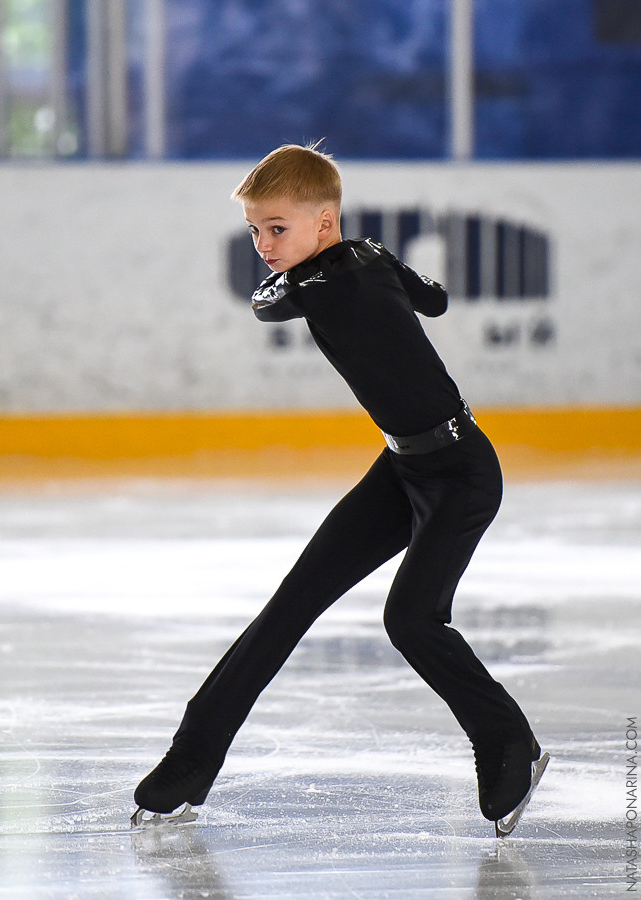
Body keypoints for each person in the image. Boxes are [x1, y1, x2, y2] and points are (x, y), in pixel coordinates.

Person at [133, 143, 548, 834]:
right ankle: (189, 761)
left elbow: (275, 305)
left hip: (460, 474)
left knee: (411, 620)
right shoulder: (344, 266)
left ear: (323, 223)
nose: (263, 245)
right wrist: (378, 258)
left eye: (276, 229)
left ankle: (509, 743)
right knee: (289, 606)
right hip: (400, 471)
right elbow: (434, 301)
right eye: (255, 231)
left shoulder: (338, 280)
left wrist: (352, 267)